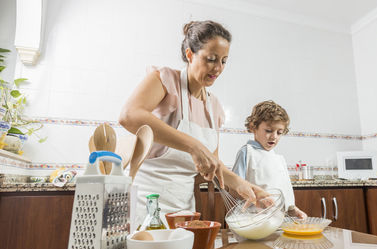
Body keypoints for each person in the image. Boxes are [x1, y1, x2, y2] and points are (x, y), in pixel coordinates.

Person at [119, 20, 270, 223]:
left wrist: (245, 186)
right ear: (190, 55)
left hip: (183, 211)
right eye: (211, 59)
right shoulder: (165, 80)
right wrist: (193, 145)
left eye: (224, 61)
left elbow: (215, 166)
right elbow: (129, 115)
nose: (218, 68)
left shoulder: (213, 106)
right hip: (144, 205)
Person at [232, 100, 307, 219]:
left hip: (277, 220)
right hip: (252, 219)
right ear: (253, 127)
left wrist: (293, 209)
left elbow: (285, 190)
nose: (274, 136)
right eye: (268, 131)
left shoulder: (279, 159)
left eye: (279, 132)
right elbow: (234, 187)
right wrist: (255, 198)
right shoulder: (247, 152)